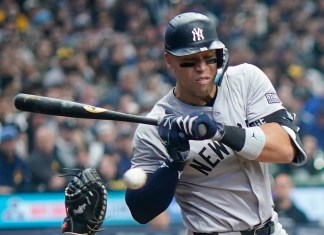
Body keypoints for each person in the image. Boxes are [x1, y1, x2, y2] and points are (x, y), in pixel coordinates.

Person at [62, 12, 307, 235]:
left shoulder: (246, 81)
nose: (202, 68)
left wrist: (220, 132)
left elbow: (286, 149)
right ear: (169, 61)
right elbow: (141, 210)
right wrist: (174, 162)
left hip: (271, 229)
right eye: (190, 61)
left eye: (209, 58)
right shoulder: (154, 126)